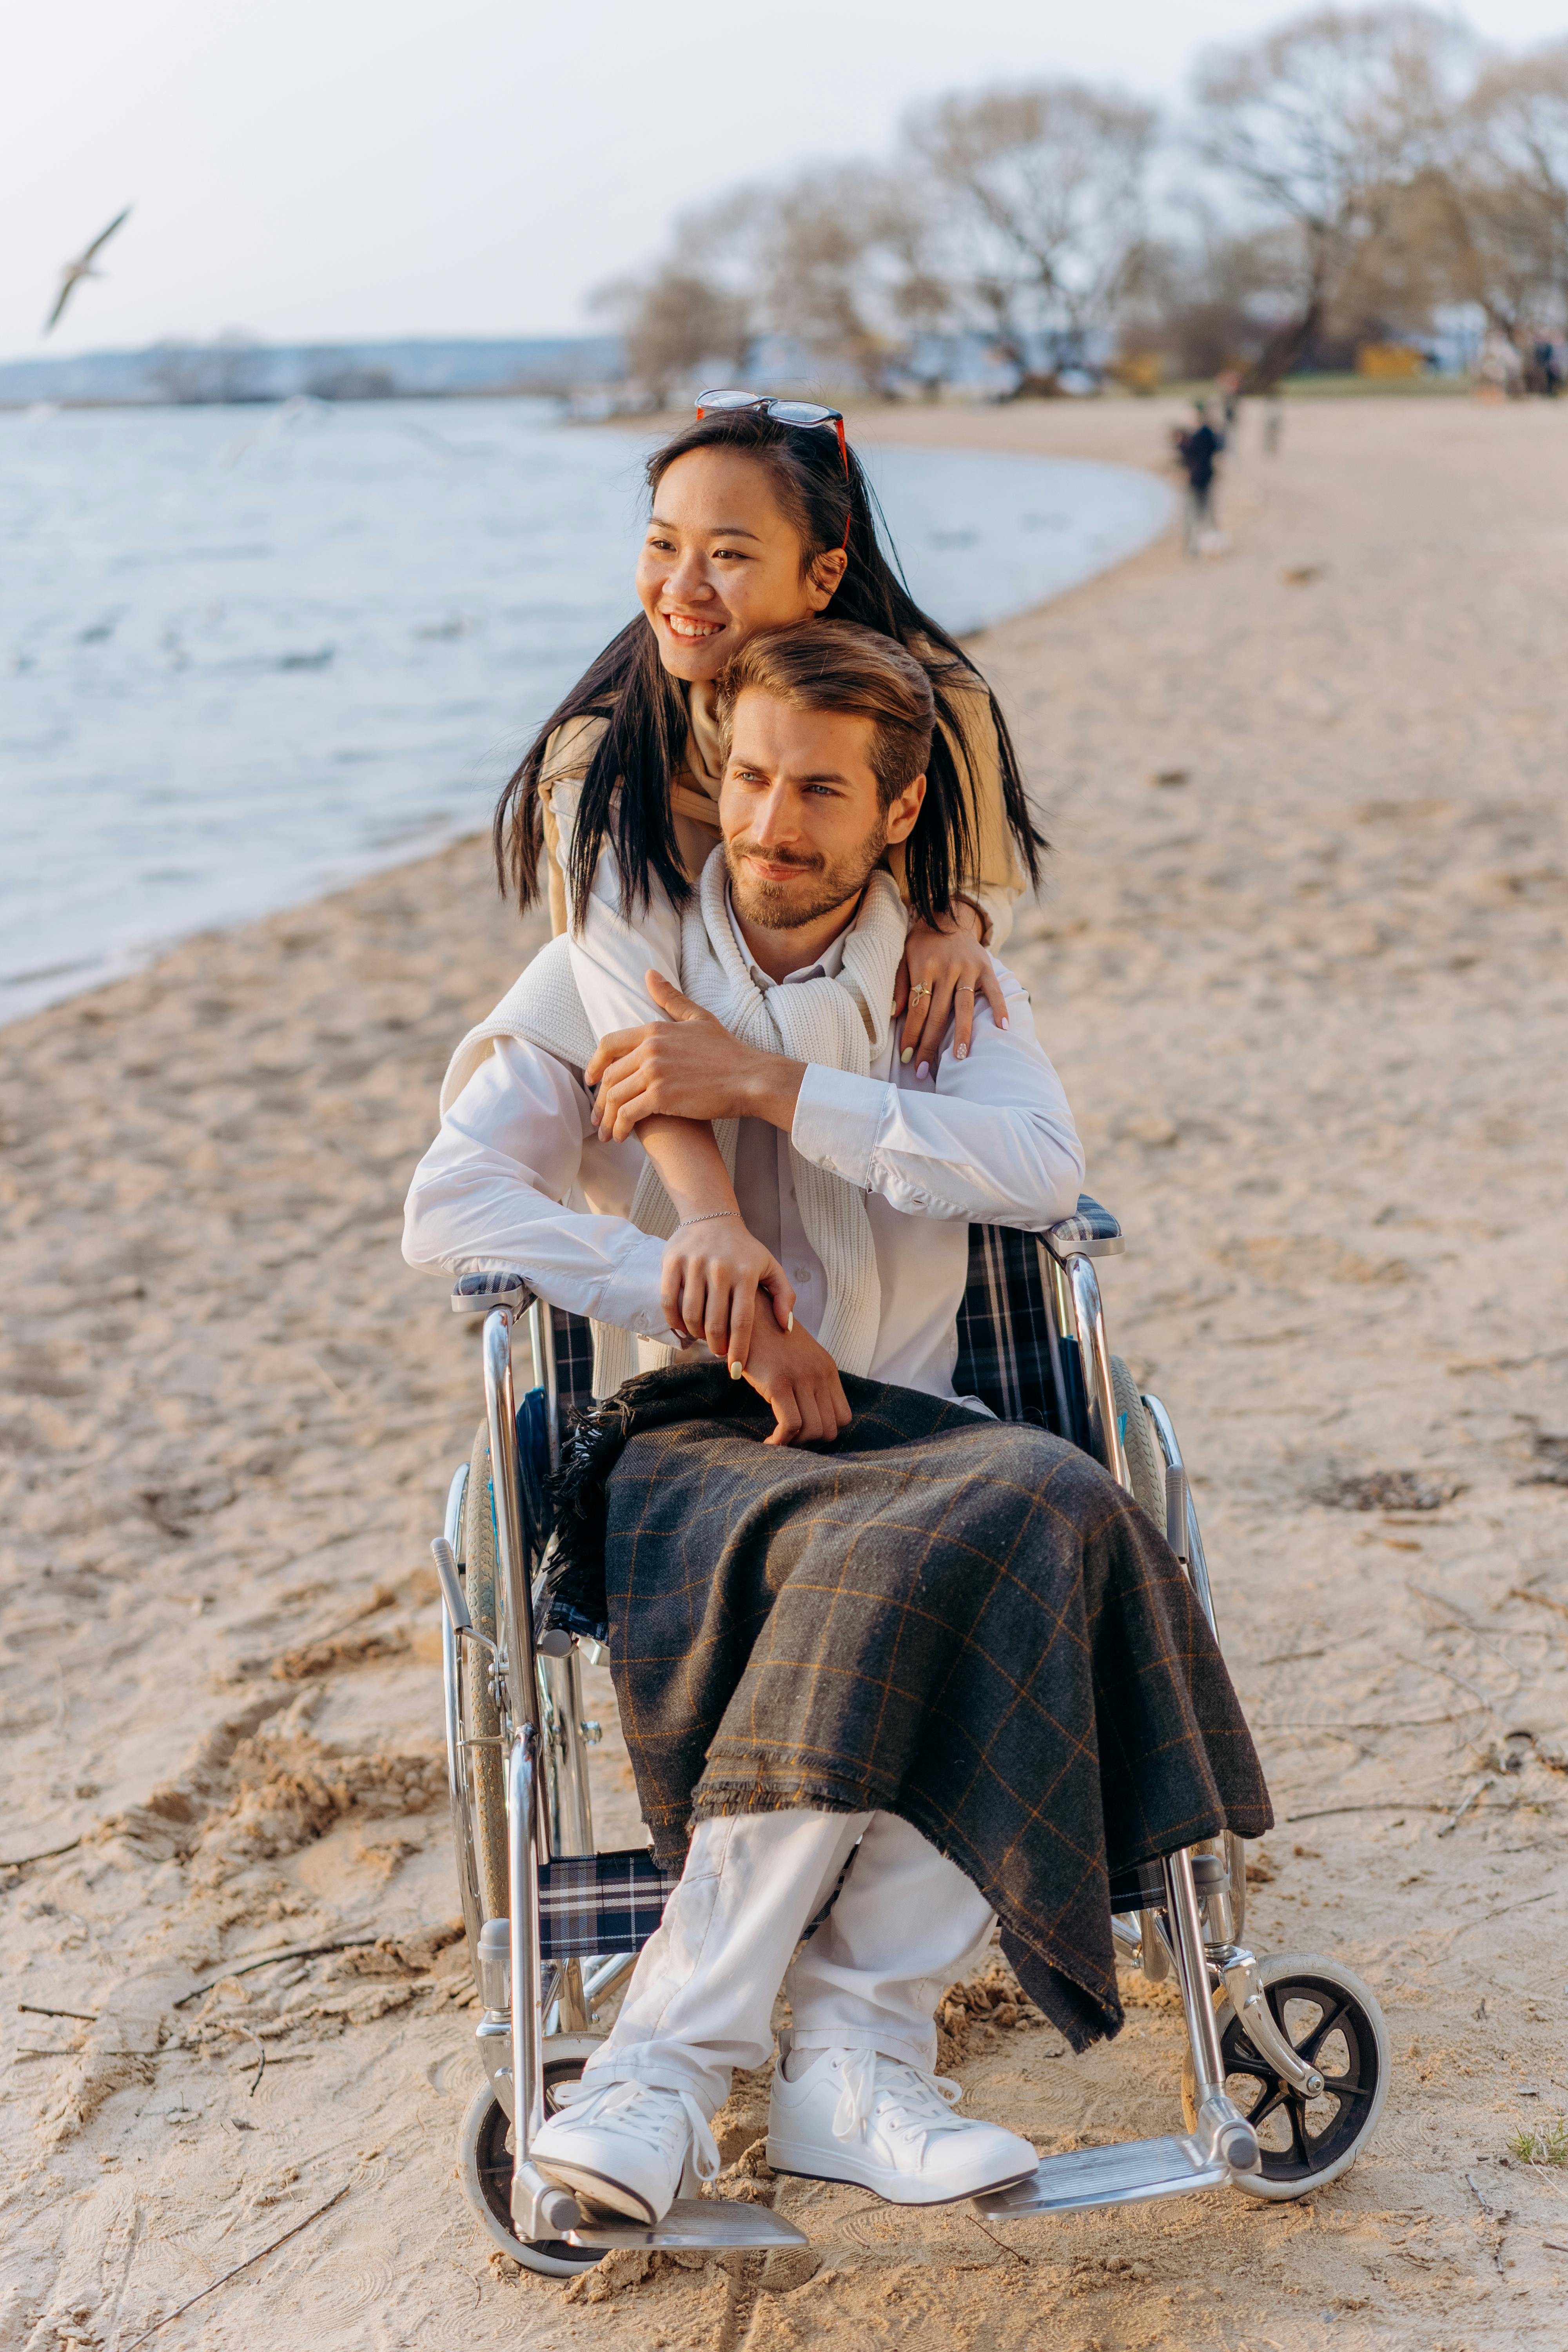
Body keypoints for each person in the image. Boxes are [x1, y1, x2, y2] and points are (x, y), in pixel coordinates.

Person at [405, 618, 1271, 2226]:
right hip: (687, 1442)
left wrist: (774, 1088)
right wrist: (683, 1282)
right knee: (982, 1529)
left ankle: (786, 2065)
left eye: (818, 791)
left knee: (1051, 1512)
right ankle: (755, 2057)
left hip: (921, 1442)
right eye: (745, 777)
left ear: (896, 814)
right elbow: (449, 1208)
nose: (769, 823)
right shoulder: (616, 969)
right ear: (705, 773)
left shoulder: (937, 986)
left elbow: (1037, 1174)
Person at [490, 394, 1042, 1385]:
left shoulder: (934, 700)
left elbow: (978, 868)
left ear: (823, 571)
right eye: (663, 544)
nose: (682, 588)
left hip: (853, 1044)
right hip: (687, 1097)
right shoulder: (603, 756)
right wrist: (711, 1231)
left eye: (730, 555)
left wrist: (952, 923)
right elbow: (633, 1019)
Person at [1177, 401, 1225, 555]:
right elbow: (1217, 450)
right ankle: (1211, 545)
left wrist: (1181, 444)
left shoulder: (1199, 435)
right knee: (1208, 515)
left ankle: (1196, 549)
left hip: (1197, 479)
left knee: (1194, 515)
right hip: (1207, 477)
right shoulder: (1209, 433)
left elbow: (1191, 457)